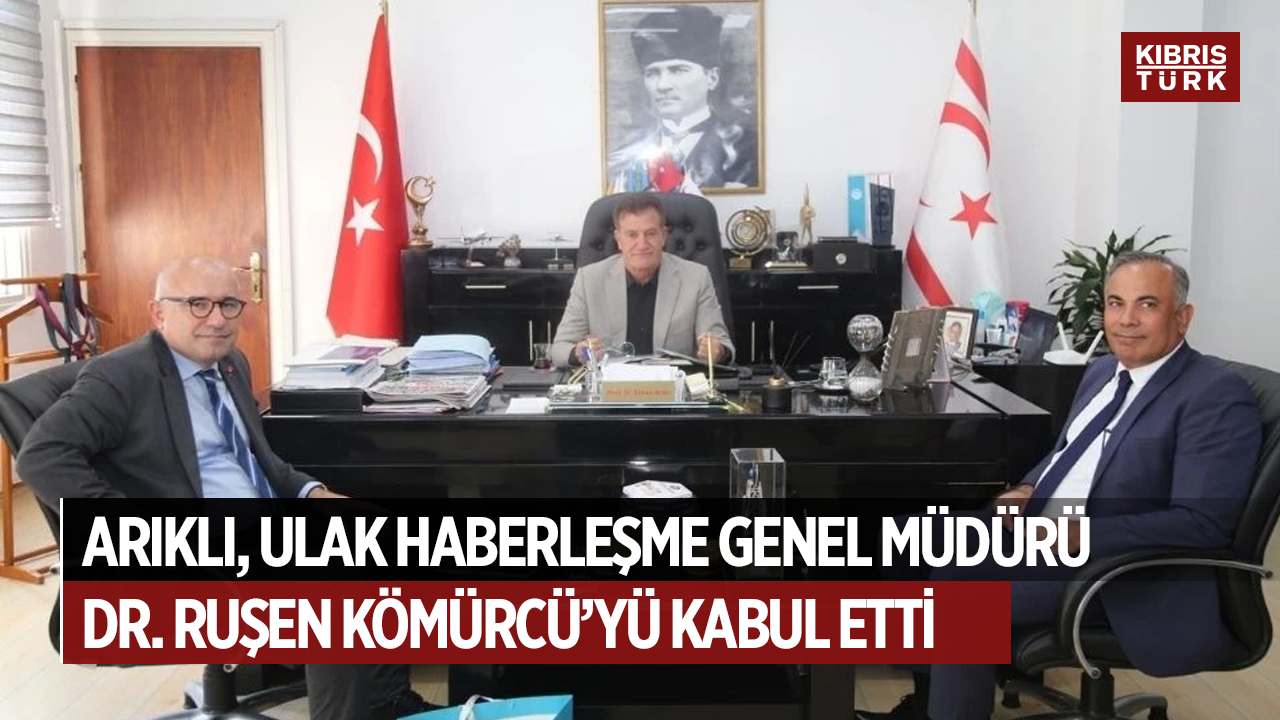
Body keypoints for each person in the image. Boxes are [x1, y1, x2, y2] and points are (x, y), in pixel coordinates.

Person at [17, 256, 429, 720]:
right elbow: (41, 456)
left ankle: (385, 701)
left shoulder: (230, 362)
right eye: (197, 304)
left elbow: (259, 462)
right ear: (158, 312)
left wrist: (315, 494)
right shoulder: (120, 376)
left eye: (228, 304)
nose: (216, 319)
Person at [856, 252, 1263, 720]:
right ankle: (930, 701)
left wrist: (1078, 533)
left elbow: (1202, 522)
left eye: (1147, 304)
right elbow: (1067, 453)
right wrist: (1027, 488)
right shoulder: (1104, 371)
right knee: (902, 539)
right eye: (1116, 303)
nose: (1127, 319)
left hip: (1114, 570)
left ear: (1183, 317)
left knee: (961, 593)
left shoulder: (1213, 395)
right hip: (1040, 531)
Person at [551, 193, 733, 368]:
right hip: (611, 387)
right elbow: (559, 349)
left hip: (671, 386)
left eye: (650, 233)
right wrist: (580, 354)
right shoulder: (589, 279)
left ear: (663, 236)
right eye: (632, 235)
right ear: (618, 239)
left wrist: (718, 352)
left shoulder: (696, 277)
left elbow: (723, 345)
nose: (642, 244)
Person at [607, 5, 758, 192]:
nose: (662, 85)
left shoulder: (748, 148)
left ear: (712, 78)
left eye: (678, 70)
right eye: (652, 73)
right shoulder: (628, 154)